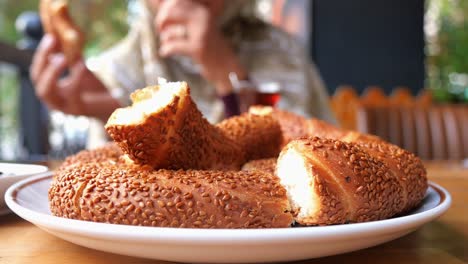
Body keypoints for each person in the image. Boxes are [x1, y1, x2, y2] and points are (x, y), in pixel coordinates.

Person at [30, 0, 336, 146]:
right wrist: (111, 113)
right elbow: (127, 188)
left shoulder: (280, 52)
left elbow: (299, 152)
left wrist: (226, 72)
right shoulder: (121, 63)